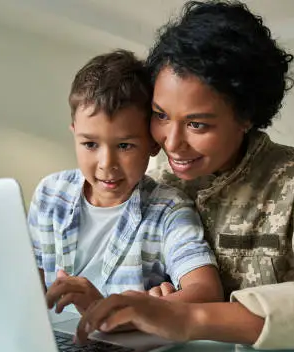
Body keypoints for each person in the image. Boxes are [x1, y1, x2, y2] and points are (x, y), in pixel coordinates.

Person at [75, 1, 294, 350]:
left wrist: (193, 318)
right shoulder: (154, 183)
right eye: (160, 115)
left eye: (197, 124)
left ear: (246, 116)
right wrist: (146, 300)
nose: (172, 143)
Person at [27, 50, 223, 316]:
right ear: (74, 134)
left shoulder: (168, 209)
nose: (106, 163)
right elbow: (29, 284)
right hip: (55, 339)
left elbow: (207, 292)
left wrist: (124, 310)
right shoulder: (51, 194)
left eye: (124, 145)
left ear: (153, 144)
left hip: (122, 343)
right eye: (90, 144)